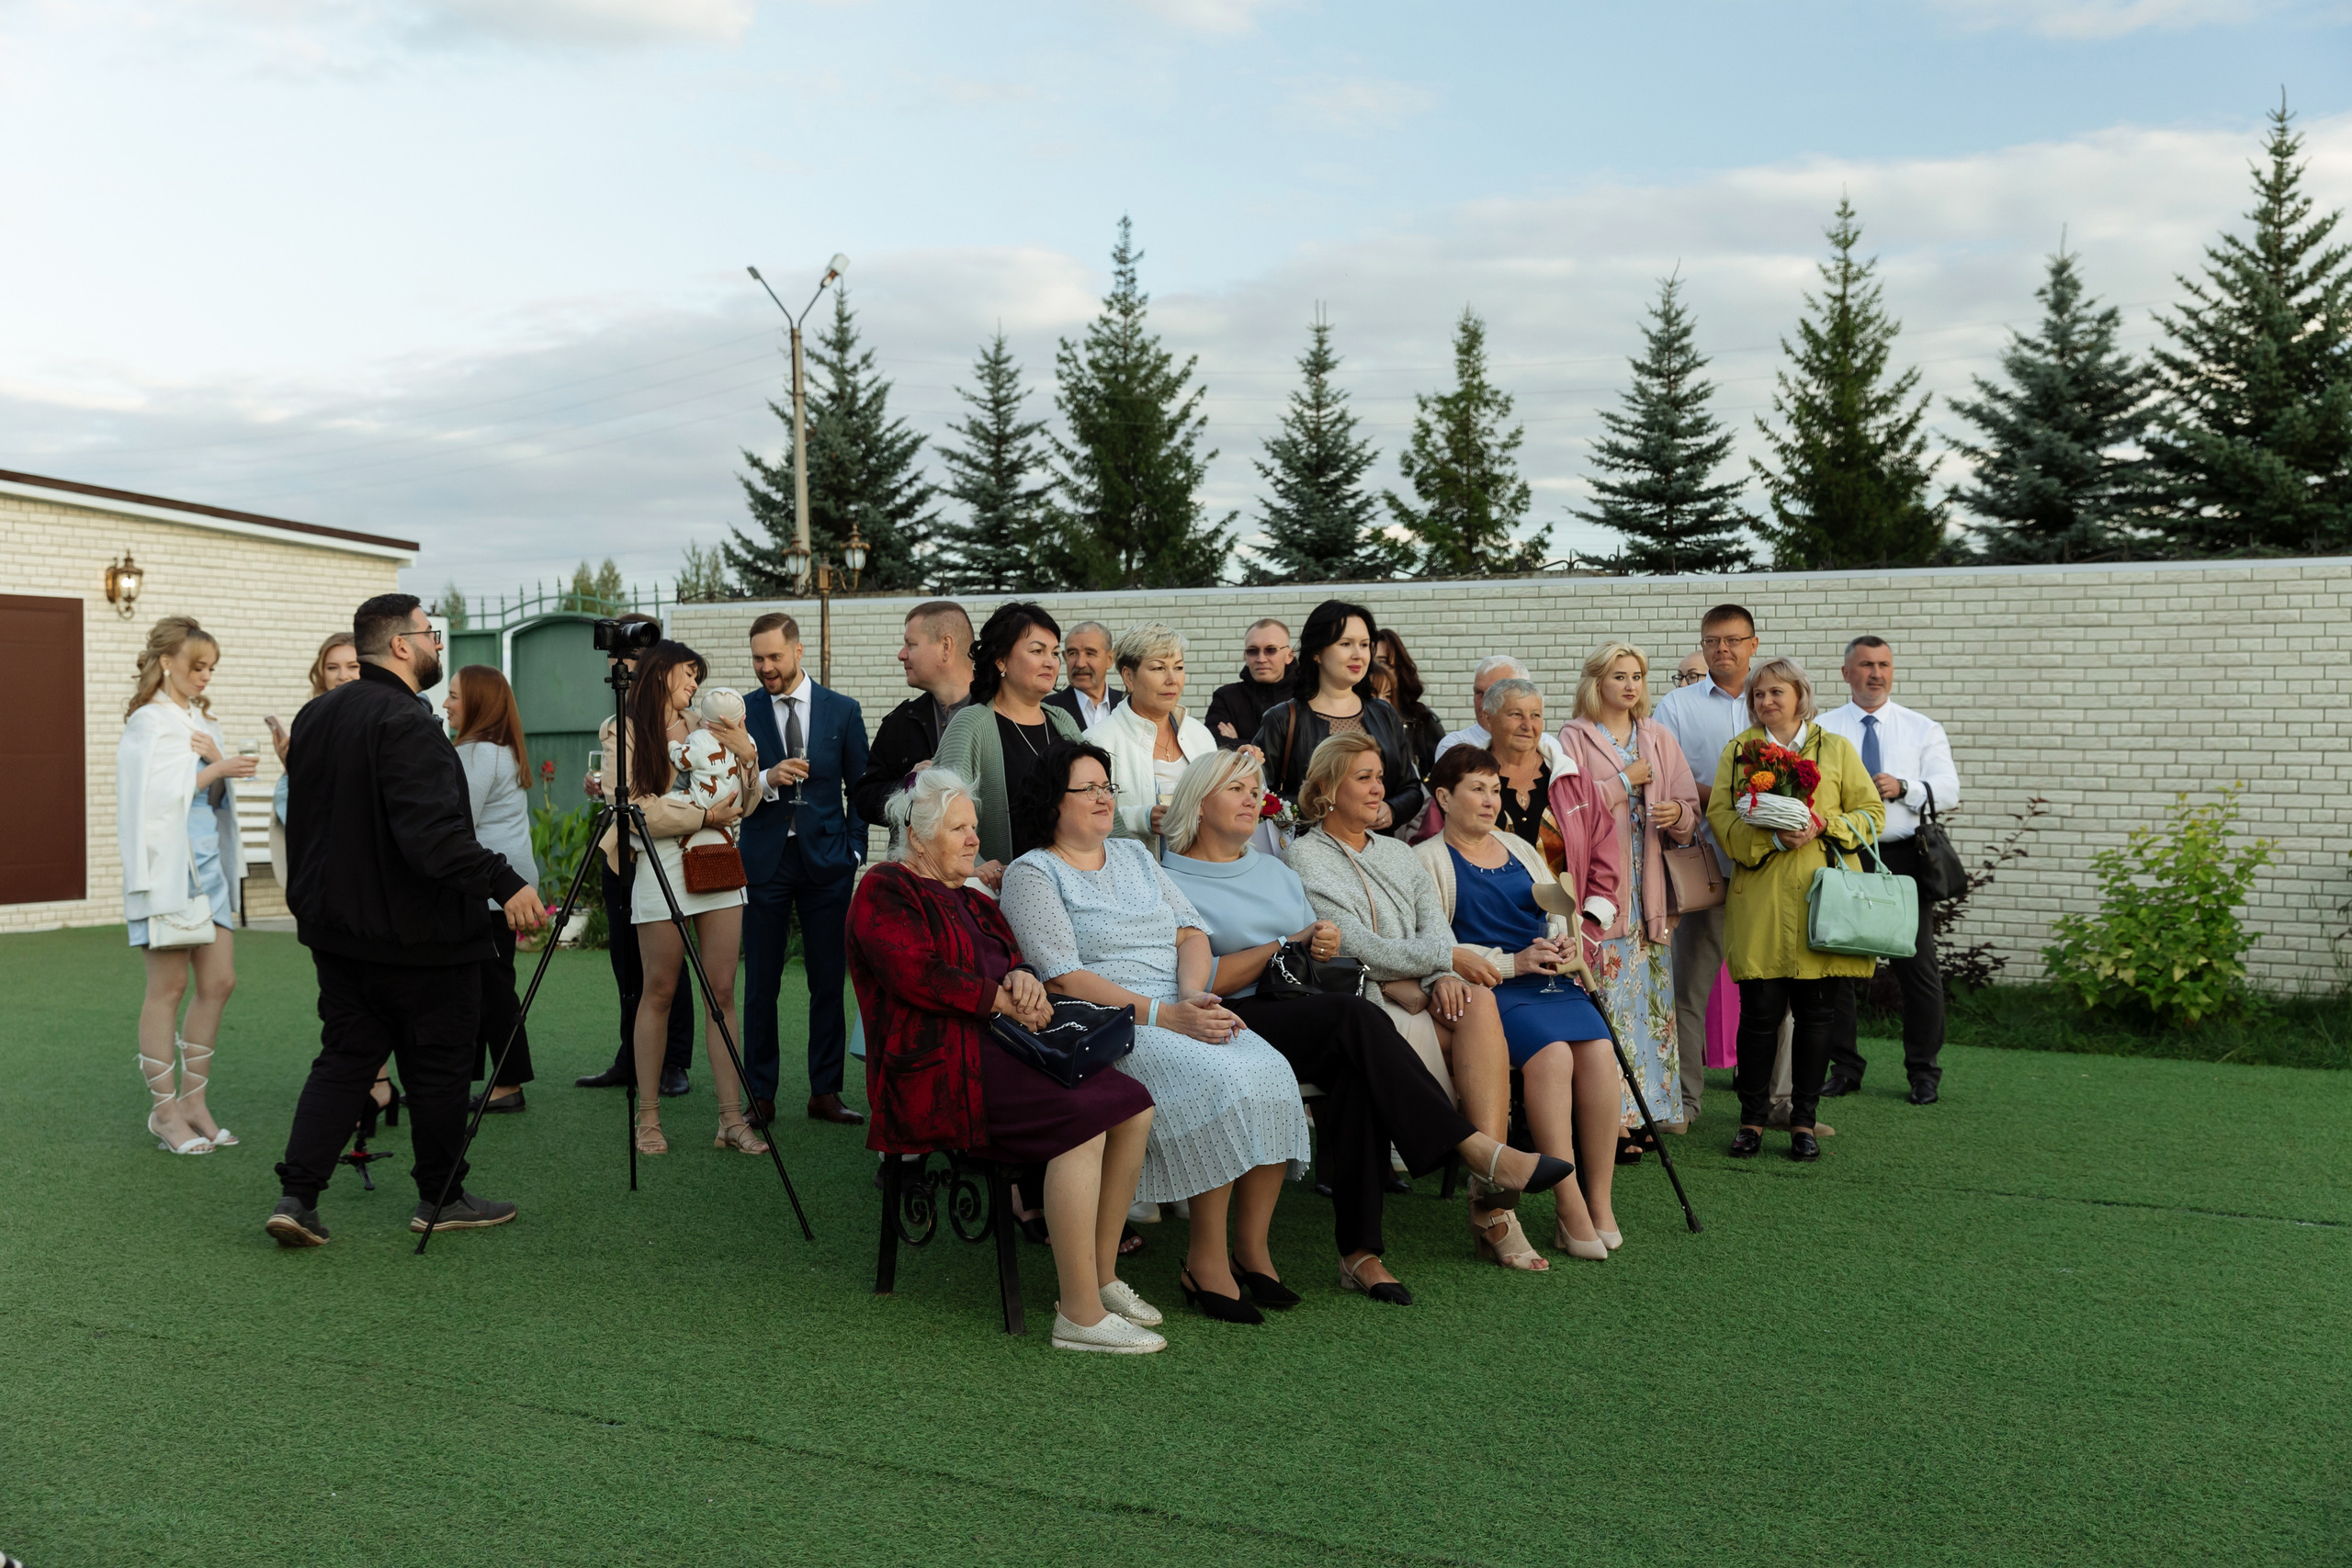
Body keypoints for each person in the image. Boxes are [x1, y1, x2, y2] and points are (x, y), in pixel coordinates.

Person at [1159, 749, 1569, 1305]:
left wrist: (1326, 948)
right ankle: (1475, 1150)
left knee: (1356, 1068)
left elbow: (1325, 951)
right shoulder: (1170, 877)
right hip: (1231, 1013)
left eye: (1256, 789)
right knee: (1359, 1020)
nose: (1253, 798)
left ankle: (1360, 1253)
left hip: (1302, 1007)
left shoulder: (1276, 870)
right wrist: (1285, 947)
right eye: (1236, 789)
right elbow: (1207, 977)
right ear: (1198, 802)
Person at [847, 768, 1164, 1355]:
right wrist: (999, 998)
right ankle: (1079, 1316)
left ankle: (1100, 1275)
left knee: (1132, 1105)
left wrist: (1021, 979)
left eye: (974, 827)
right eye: (960, 828)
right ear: (917, 837)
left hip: (999, 1050)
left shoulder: (974, 896)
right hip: (938, 1069)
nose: (974, 839)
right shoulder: (886, 887)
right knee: (1081, 1125)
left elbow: (1012, 956)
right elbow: (915, 974)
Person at [999, 740, 1312, 1325]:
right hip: (1112, 1023)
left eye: (1106, 786)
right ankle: (1206, 1261)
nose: (1101, 797)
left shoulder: (1136, 856)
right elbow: (1065, 977)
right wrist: (1165, 1016)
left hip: (1180, 1004)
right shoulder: (1032, 872)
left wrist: (1193, 995)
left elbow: (1191, 933)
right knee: (1222, 1081)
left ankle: (1253, 1250)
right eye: (1086, 788)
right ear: (1050, 802)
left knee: (1272, 1071)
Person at [266, 594, 545, 1247]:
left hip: (338, 932)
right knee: (441, 1068)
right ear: (398, 644)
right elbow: (432, 836)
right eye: (429, 634)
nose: (436, 646)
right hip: (421, 937)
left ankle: (297, 1196)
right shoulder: (408, 723)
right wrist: (506, 883)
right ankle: (441, 1197)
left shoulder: (316, 717)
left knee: (344, 1059)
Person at [1283, 734, 1555, 1274]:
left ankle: (1490, 1193)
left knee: (1476, 1001)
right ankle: (1493, 1204)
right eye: (1364, 777)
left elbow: (1434, 923)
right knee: (1470, 1007)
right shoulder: (1304, 856)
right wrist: (1441, 962)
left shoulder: (1396, 851)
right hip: (1362, 1003)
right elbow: (1355, 944)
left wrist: (1437, 976)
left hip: (1420, 991)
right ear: (1328, 787)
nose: (1378, 787)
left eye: (1380, 777)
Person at [1416, 746, 1627, 1259]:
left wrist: (1566, 942)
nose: (1490, 800)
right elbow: (1434, 946)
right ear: (1444, 797)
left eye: (1495, 789)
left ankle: (1600, 1202)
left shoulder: (1518, 845)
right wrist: (1515, 961)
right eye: (1477, 789)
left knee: (1600, 1054)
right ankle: (1568, 1201)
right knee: (1553, 1057)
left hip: (1550, 982)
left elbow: (1555, 913)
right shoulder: (1425, 859)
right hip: (1492, 990)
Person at [1706, 656, 1883, 1163]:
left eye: (1776, 692)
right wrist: (1772, 843)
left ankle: (1803, 1120)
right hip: (1760, 899)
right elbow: (1721, 816)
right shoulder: (1739, 753)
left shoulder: (1837, 749)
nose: (1766, 702)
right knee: (1759, 1014)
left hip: (1823, 901)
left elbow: (1872, 814)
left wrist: (1823, 825)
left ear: (1800, 696)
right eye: (1758, 694)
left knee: (1817, 1015)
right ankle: (1751, 1121)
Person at [601, 640, 769, 1157]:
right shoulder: (622, 728)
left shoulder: (709, 723)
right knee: (658, 990)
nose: (695, 683)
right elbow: (630, 807)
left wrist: (748, 758)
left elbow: (745, 803)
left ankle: (731, 1120)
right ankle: (647, 1119)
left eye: (699, 675)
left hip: (717, 858)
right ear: (658, 672)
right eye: (688, 673)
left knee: (722, 993)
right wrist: (702, 817)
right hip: (660, 864)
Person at [1556, 642, 1702, 1157]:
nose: (1631, 685)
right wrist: (1623, 782)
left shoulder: (1658, 736)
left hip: (1652, 892)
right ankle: (1608, 1121)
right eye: (1619, 675)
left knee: (1651, 1006)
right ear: (1597, 682)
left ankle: (1647, 1112)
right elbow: (1568, 805)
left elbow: (1689, 805)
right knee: (1610, 1005)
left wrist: (1677, 817)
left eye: (1637, 675)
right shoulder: (1572, 737)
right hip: (1603, 891)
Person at [118, 615, 253, 1156]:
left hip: (207, 868)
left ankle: (195, 1103)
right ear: (166, 661)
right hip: (167, 872)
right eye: (197, 666)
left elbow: (212, 800)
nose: (204, 677)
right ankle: (164, 1112)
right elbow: (144, 802)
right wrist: (211, 771)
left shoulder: (198, 720)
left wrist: (216, 767)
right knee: (167, 990)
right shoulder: (148, 722)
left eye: (211, 669)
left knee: (219, 982)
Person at [738, 612, 870, 1129]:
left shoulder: (842, 710)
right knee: (760, 984)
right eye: (757, 658)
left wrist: (855, 850)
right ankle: (761, 1094)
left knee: (826, 982)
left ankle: (825, 1091)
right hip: (764, 862)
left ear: (797, 652)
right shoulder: (741, 713)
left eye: (773, 656)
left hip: (828, 863)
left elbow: (860, 789)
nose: (765, 667)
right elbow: (730, 788)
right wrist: (768, 779)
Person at [1819, 636, 1959, 1105]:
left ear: (1892, 671)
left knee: (1916, 966)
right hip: (1843, 854)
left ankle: (1923, 1072)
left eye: (1883, 665)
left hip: (1900, 859)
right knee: (1836, 965)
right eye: (1865, 665)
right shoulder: (1822, 728)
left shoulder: (1922, 728)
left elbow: (1949, 790)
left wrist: (1905, 786)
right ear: (1846, 673)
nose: (1875, 673)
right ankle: (1845, 1067)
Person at [574, 613, 696, 1100]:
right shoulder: (617, 725)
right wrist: (607, 789)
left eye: (622, 656)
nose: (614, 665)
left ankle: (675, 1062)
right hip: (624, 859)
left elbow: (691, 796)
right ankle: (632, 1057)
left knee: (670, 967)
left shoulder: (694, 723)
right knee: (628, 964)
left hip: (673, 857)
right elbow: (623, 801)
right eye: (611, 655)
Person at [1651, 603, 1762, 1127]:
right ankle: (1685, 1103)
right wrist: (1727, 798)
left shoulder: (1774, 700)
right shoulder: (1676, 706)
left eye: (1733, 640)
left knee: (1774, 996)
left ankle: (1779, 1103)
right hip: (1705, 866)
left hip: (1769, 872)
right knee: (1689, 991)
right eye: (1713, 640)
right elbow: (1663, 777)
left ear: (1753, 644)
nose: (1723, 649)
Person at [443, 665, 537, 1116]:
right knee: (490, 984)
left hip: (490, 888)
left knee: (492, 987)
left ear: (477, 702)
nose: (446, 704)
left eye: (455, 696)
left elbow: (457, 825)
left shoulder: (475, 753)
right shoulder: (501, 749)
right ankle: (493, 1080)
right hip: (507, 884)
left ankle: (508, 1083)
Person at [934, 603, 1081, 884]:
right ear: (1001, 660)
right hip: (1004, 893)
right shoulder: (972, 723)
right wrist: (974, 865)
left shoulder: (1062, 721)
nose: (1050, 661)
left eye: (1054, 653)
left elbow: (1097, 796)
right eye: (1037, 651)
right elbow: (942, 813)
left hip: (1071, 885)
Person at [1251, 599, 1422, 834]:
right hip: (1307, 852)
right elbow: (1258, 795)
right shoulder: (1282, 718)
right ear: (1317, 653)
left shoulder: (1384, 713)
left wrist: (1392, 809)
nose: (1358, 654)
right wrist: (1321, 807)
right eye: (1345, 644)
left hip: (1375, 850)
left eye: (1364, 645)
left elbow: (1411, 788)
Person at [850, 601, 974, 843]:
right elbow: (863, 799)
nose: (901, 654)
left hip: (988, 874)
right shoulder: (902, 722)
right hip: (916, 877)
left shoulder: (998, 714)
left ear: (946, 647)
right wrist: (909, 787)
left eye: (911, 644)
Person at [1084, 621, 1218, 845]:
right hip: (1133, 874)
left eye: (1178, 667)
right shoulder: (1098, 742)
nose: (1172, 679)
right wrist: (1142, 819)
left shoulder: (1200, 734)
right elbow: (1082, 816)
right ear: (1128, 677)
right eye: (1158, 668)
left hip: (1201, 868)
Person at [1475, 676, 1573, 866]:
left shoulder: (1570, 778)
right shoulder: (1463, 778)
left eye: (1535, 715)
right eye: (1516, 714)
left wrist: (1596, 897)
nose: (1528, 725)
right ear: (1488, 719)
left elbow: (1601, 851)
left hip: (1564, 896)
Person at [1203, 617, 1293, 749]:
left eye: (1271, 649)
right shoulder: (1227, 697)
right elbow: (1213, 745)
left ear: (1289, 656)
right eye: (1252, 651)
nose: (1261, 659)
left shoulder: (1307, 695)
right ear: (1245, 656)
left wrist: (1238, 743)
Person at [1370, 627, 1444, 786]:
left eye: (1383, 662)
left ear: (1398, 668)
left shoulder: (1421, 719)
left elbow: (1444, 773)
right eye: (1371, 662)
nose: (1376, 669)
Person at [1433, 654, 1529, 759]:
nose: (1482, 705)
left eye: (1494, 695)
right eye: (1479, 693)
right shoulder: (1454, 746)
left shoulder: (1546, 749)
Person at [1043, 619, 1123, 730]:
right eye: (1073, 653)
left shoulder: (1130, 705)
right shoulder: (1047, 710)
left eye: (1090, 653)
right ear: (1065, 657)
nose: (1080, 664)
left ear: (1109, 659)